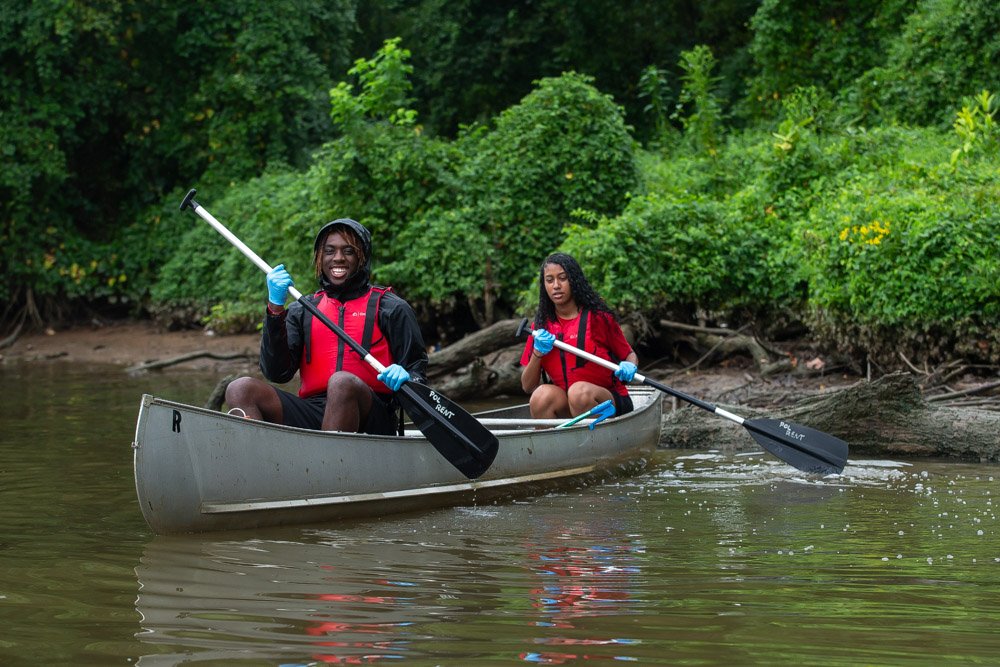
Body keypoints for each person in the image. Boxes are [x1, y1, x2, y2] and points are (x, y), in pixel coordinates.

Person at [225, 218, 428, 434]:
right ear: (320, 258)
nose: (338, 258)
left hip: (372, 414)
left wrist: (407, 376)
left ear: (362, 257)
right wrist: (275, 308)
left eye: (348, 251)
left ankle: (327, 462)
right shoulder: (303, 309)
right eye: (330, 251)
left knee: (341, 383)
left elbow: (418, 374)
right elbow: (277, 373)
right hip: (315, 411)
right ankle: (261, 461)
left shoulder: (391, 308)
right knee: (240, 389)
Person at [520, 252, 639, 420]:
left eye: (562, 278)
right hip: (568, 406)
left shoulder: (598, 318)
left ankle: (595, 443)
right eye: (549, 280)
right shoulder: (540, 328)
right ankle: (552, 445)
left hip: (606, 402)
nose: (556, 286)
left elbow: (629, 355)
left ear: (574, 280)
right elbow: (527, 386)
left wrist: (630, 366)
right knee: (541, 395)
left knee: (578, 393)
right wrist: (537, 353)